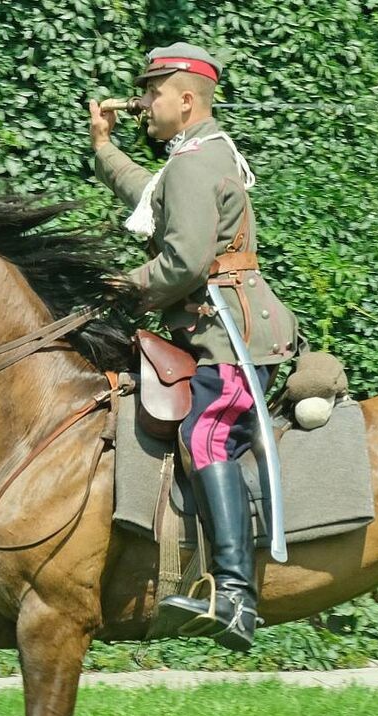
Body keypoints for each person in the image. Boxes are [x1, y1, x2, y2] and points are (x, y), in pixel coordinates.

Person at [88, 42, 298, 652]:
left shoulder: (193, 162)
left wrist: (129, 286)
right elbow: (153, 203)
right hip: (222, 326)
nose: (145, 102)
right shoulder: (197, 156)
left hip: (227, 337)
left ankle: (235, 596)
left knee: (205, 433)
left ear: (185, 100)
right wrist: (104, 148)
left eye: (153, 92)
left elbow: (183, 261)